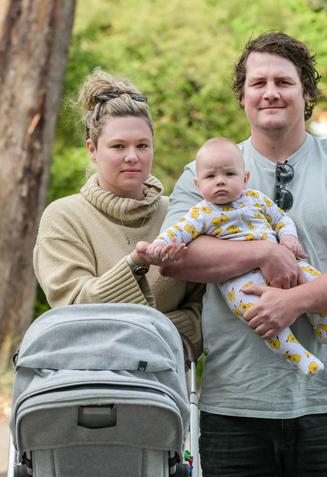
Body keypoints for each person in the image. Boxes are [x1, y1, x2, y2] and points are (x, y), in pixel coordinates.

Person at [148, 32, 327, 477]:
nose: (271, 92)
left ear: (306, 92)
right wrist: (264, 250)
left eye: (284, 81)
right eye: (258, 82)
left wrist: (295, 301)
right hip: (235, 406)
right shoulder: (206, 171)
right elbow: (176, 258)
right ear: (242, 95)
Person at [147, 137, 327, 377]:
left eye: (229, 174)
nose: (220, 182)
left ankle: (325, 325)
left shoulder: (255, 199)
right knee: (260, 315)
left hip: (286, 262)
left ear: (244, 178)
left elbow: (281, 219)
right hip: (240, 281)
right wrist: (159, 245)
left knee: (312, 278)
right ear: (197, 184)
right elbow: (179, 232)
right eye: (210, 177)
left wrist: (288, 238)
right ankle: (296, 354)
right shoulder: (201, 212)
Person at [33, 69, 203, 353]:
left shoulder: (180, 213)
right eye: (118, 146)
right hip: (91, 382)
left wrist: (149, 335)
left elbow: (206, 308)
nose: (133, 157)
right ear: (92, 149)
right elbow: (74, 311)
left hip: (167, 383)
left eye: (142, 145)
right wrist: (134, 264)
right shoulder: (64, 217)